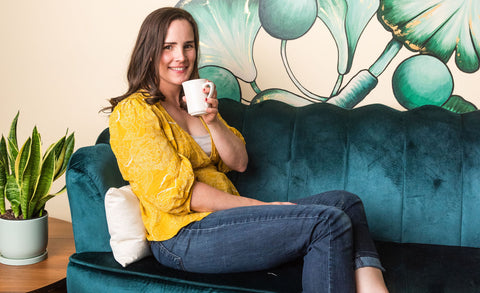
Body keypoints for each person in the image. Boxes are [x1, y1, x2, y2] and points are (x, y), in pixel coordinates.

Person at [105, 7, 389, 293]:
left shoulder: (191, 103)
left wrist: (213, 121)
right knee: (326, 222)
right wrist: (265, 208)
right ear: (150, 51)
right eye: (169, 47)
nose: (181, 57)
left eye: (188, 46)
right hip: (181, 235)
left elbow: (239, 162)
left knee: (345, 203)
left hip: (220, 221)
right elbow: (184, 196)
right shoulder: (133, 113)